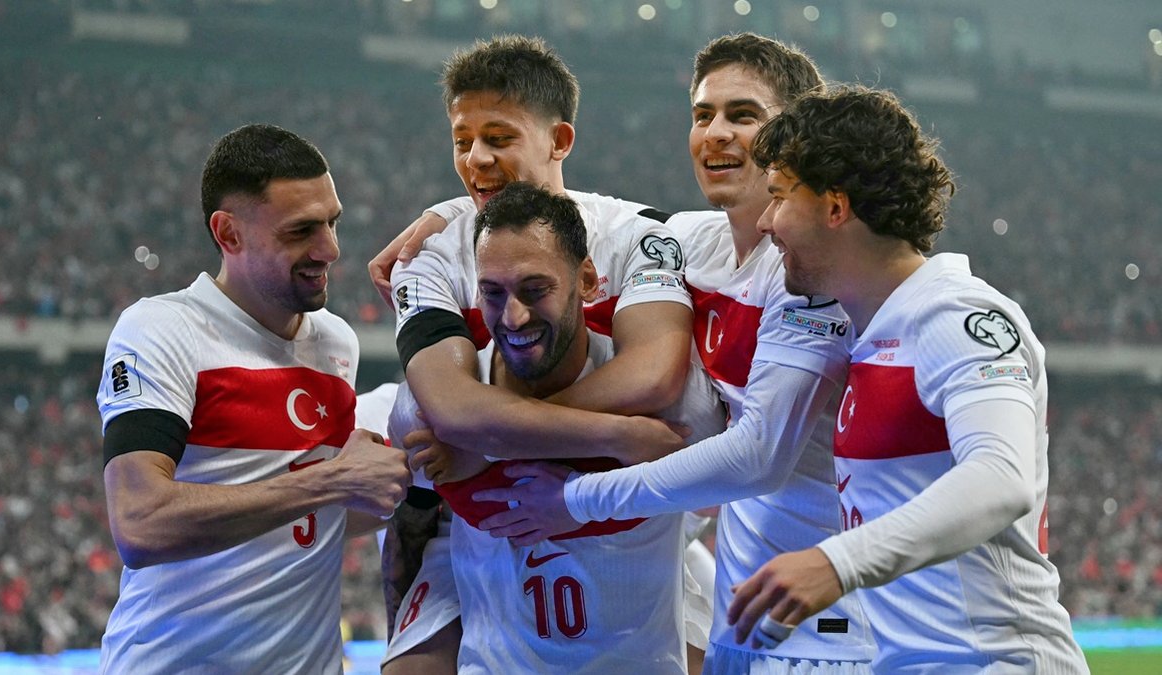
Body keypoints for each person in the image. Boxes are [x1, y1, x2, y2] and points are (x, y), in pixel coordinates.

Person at [469, 34, 875, 673]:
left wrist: (574, 495)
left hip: (829, 616)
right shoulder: (687, 240)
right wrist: (437, 222)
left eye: (742, 115)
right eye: (702, 115)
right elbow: (569, 212)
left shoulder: (811, 270)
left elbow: (760, 458)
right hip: (746, 603)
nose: (715, 133)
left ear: (796, 136)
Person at [377, 35, 714, 673]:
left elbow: (653, 376)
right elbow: (449, 408)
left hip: (632, 515)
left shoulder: (637, 234)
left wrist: (490, 439)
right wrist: (617, 434)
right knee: (410, 419)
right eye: (462, 140)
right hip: (471, 517)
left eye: (498, 138)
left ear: (559, 141)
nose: (475, 159)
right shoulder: (430, 253)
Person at [724, 86, 1089, 673]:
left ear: (835, 207)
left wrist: (836, 562)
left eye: (779, 197)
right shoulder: (870, 333)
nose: (766, 222)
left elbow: (1002, 478)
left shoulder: (954, 315)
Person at [95, 123, 411, 674]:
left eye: (332, 222)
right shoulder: (163, 329)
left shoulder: (336, 343)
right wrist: (333, 480)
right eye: (301, 230)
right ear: (229, 234)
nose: (330, 249)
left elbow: (309, 520)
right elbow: (141, 523)